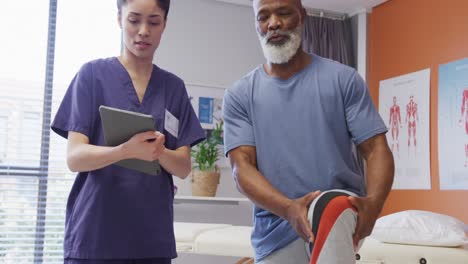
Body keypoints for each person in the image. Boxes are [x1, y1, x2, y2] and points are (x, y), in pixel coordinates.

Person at [222, 0, 394, 263]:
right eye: (263, 17)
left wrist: (374, 204)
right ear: (256, 24)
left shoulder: (342, 80)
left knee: (331, 205)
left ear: (302, 16)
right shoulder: (240, 95)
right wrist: (289, 209)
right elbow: (241, 168)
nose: (273, 23)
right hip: (275, 230)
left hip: (337, 212)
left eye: (283, 13)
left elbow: (376, 149)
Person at [51, 0, 205, 263]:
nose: (143, 30)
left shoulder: (173, 88)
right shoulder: (92, 76)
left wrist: (158, 152)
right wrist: (125, 151)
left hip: (150, 238)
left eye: (153, 22)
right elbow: (75, 157)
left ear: (164, 25)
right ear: (119, 19)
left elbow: (182, 167)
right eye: (134, 20)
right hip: (96, 234)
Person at [459, 88, 468, 167]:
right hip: (467, 120)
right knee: (466, 140)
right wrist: (461, 118)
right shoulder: (465, 92)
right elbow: (463, 105)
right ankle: (466, 159)